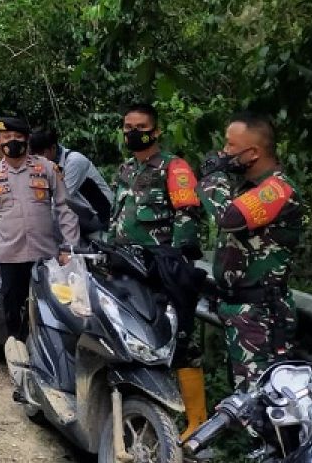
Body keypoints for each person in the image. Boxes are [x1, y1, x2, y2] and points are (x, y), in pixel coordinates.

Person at [107, 102, 208, 437]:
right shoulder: (125, 169)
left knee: (179, 340)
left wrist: (175, 259)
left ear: (156, 131)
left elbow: (187, 213)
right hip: (124, 266)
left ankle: (196, 422)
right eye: (128, 126)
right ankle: (138, 410)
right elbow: (117, 217)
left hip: (161, 269)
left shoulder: (173, 168)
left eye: (140, 127)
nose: (133, 133)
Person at [199, 112, 303, 392]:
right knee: (244, 401)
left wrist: (212, 176)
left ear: (253, 153)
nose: (223, 152)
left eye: (231, 146)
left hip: (262, 314)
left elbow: (228, 217)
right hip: (239, 310)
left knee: (264, 404)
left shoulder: (276, 189)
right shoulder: (246, 187)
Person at [0, 116, 80, 342]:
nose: (12, 141)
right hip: (10, 256)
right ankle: (17, 352)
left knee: (53, 309)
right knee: (13, 310)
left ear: (27, 139)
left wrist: (68, 248)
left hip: (46, 255)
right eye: (7, 137)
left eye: (18, 137)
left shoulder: (48, 168)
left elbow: (65, 208)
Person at [33, 126, 114, 240]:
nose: (37, 159)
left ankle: (70, 251)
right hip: (82, 215)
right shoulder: (47, 165)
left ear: (53, 148)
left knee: (52, 218)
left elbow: (60, 199)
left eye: (40, 154)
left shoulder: (74, 161)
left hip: (101, 216)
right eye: (34, 155)